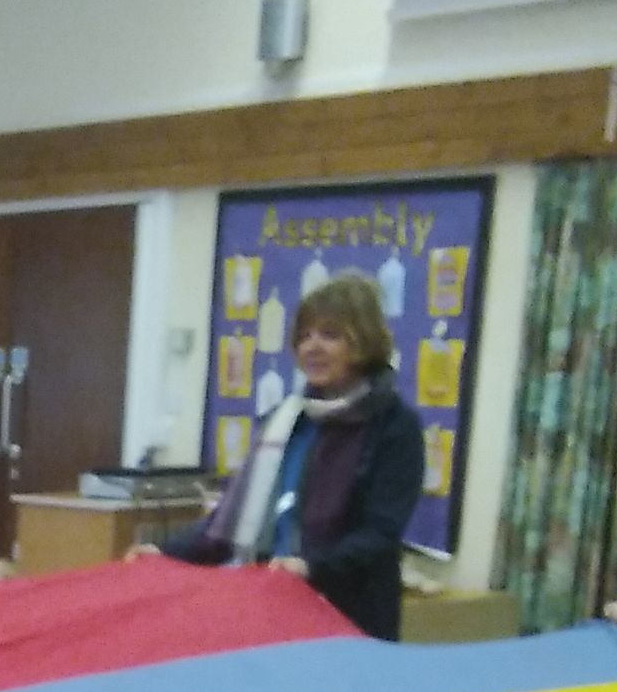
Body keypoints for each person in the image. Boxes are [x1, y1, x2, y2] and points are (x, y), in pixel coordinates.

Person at [132, 270, 424, 641]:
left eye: (330, 335)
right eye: (304, 336)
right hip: (270, 608)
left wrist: (310, 567)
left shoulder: (394, 426)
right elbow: (227, 524)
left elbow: (380, 533)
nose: (312, 347)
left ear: (364, 341)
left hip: (346, 616)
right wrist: (165, 552)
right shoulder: (284, 422)